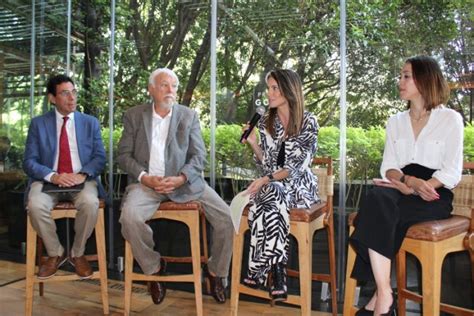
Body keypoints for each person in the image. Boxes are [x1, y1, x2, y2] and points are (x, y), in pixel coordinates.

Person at [349, 56, 464, 316]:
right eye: (400, 76)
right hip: (399, 186)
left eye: (406, 76)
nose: (400, 81)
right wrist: (406, 181)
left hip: (434, 193)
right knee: (378, 199)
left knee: (378, 212)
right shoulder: (395, 122)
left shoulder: (450, 119)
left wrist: (421, 186)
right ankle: (386, 293)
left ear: (425, 79)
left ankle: (377, 298)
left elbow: (452, 171)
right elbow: (388, 167)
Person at [117, 68, 233, 305]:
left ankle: (215, 272)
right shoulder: (134, 115)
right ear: (151, 89)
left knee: (226, 218)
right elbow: (123, 156)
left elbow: (199, 156)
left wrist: (181, 177)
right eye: (164, 85)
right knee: (129, 218)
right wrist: (144, 177)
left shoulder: (188, 116)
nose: (171, 90)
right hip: (147, 185)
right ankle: (154, 268)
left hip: (185, 184)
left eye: (174, 86)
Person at [241, 69, 320, 301]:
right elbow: (267, 164)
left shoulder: (308, 121)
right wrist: (254, 143)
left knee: (268, 195)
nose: (269, 93)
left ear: (289, 89)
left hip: (300, 188)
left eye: (274, 88)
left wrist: (265, 180)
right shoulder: (268, 122)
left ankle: (257, 268)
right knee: (272, 193)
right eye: (269, 88)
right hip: (275, 188)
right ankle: (277, 271)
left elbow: (297, 166)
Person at [23, 74, 106, 280]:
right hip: (48, 181)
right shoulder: (38, 124)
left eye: (74, 92)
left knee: (89, 202)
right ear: (52, 98)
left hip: (81, 179)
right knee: (35, 205)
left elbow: (99, 157)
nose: (72, 98)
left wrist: (82, 174)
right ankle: (55, 252)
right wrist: (53, 176)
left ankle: (77, 253)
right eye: (65, 93)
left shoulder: (90, 123)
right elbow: (29, 161)